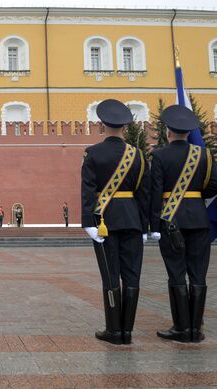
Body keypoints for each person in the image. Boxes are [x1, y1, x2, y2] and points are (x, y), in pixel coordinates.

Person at [81, 99, 149, 345]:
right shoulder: (138, 155)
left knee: (111, 275)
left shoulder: (93, 153)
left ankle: (114, 330)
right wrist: (146, 226)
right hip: (132, 220)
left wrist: (88, 221)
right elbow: (144, 193)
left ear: (102, 125)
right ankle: (127, 331)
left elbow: (88, 190)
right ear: (125, 127)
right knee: (132, 275)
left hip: (104, 221)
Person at [150, 105, 217, 343]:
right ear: (189, 132)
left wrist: (154, 224)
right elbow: (213, 185)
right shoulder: (205, 155)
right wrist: (196, 195)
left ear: (168, 131)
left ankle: (181, 327)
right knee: (198, 274)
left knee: (177, 273)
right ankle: (195, 330)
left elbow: (155, 191)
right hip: (199, 219)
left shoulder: (159, 156)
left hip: (171, 220)